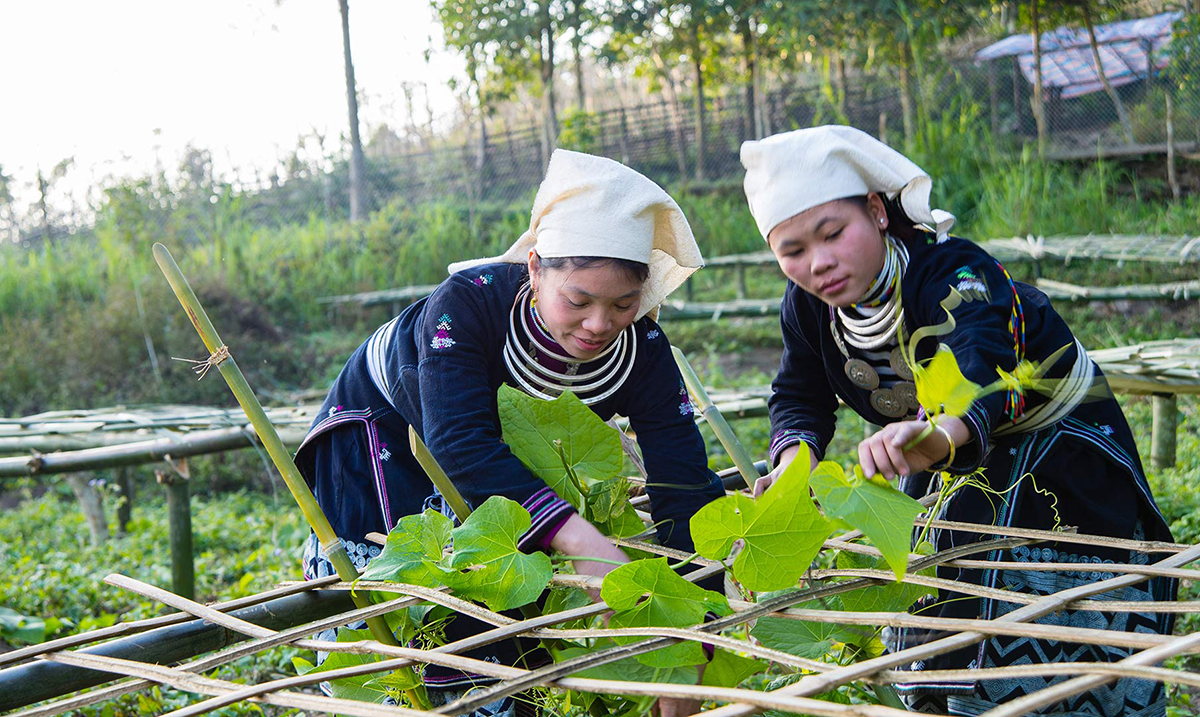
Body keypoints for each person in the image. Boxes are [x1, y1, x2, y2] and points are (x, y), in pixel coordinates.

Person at [741, 125, 1176, 716]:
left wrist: (942, 434)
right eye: (792, 251)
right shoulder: (808, 310)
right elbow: (800, 393)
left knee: (1056, 597)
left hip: (1053, 439)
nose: (819, 264)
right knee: (944, 601)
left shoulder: (952, 271)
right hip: (936, 447)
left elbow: (981, 356)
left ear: (877, 212)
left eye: (834, 234)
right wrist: (793, 468)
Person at [295, 149, 725, 716]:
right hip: (385, 443)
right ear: (533, 269)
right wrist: (585, 543)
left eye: (623, 304)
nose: (599, 325)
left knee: (518, 611)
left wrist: (696, 629)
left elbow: (684, 478)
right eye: (578, 301)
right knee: (422, 620)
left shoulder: (642, 347)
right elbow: (459, 440)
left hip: (499, 464)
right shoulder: (465, 304)